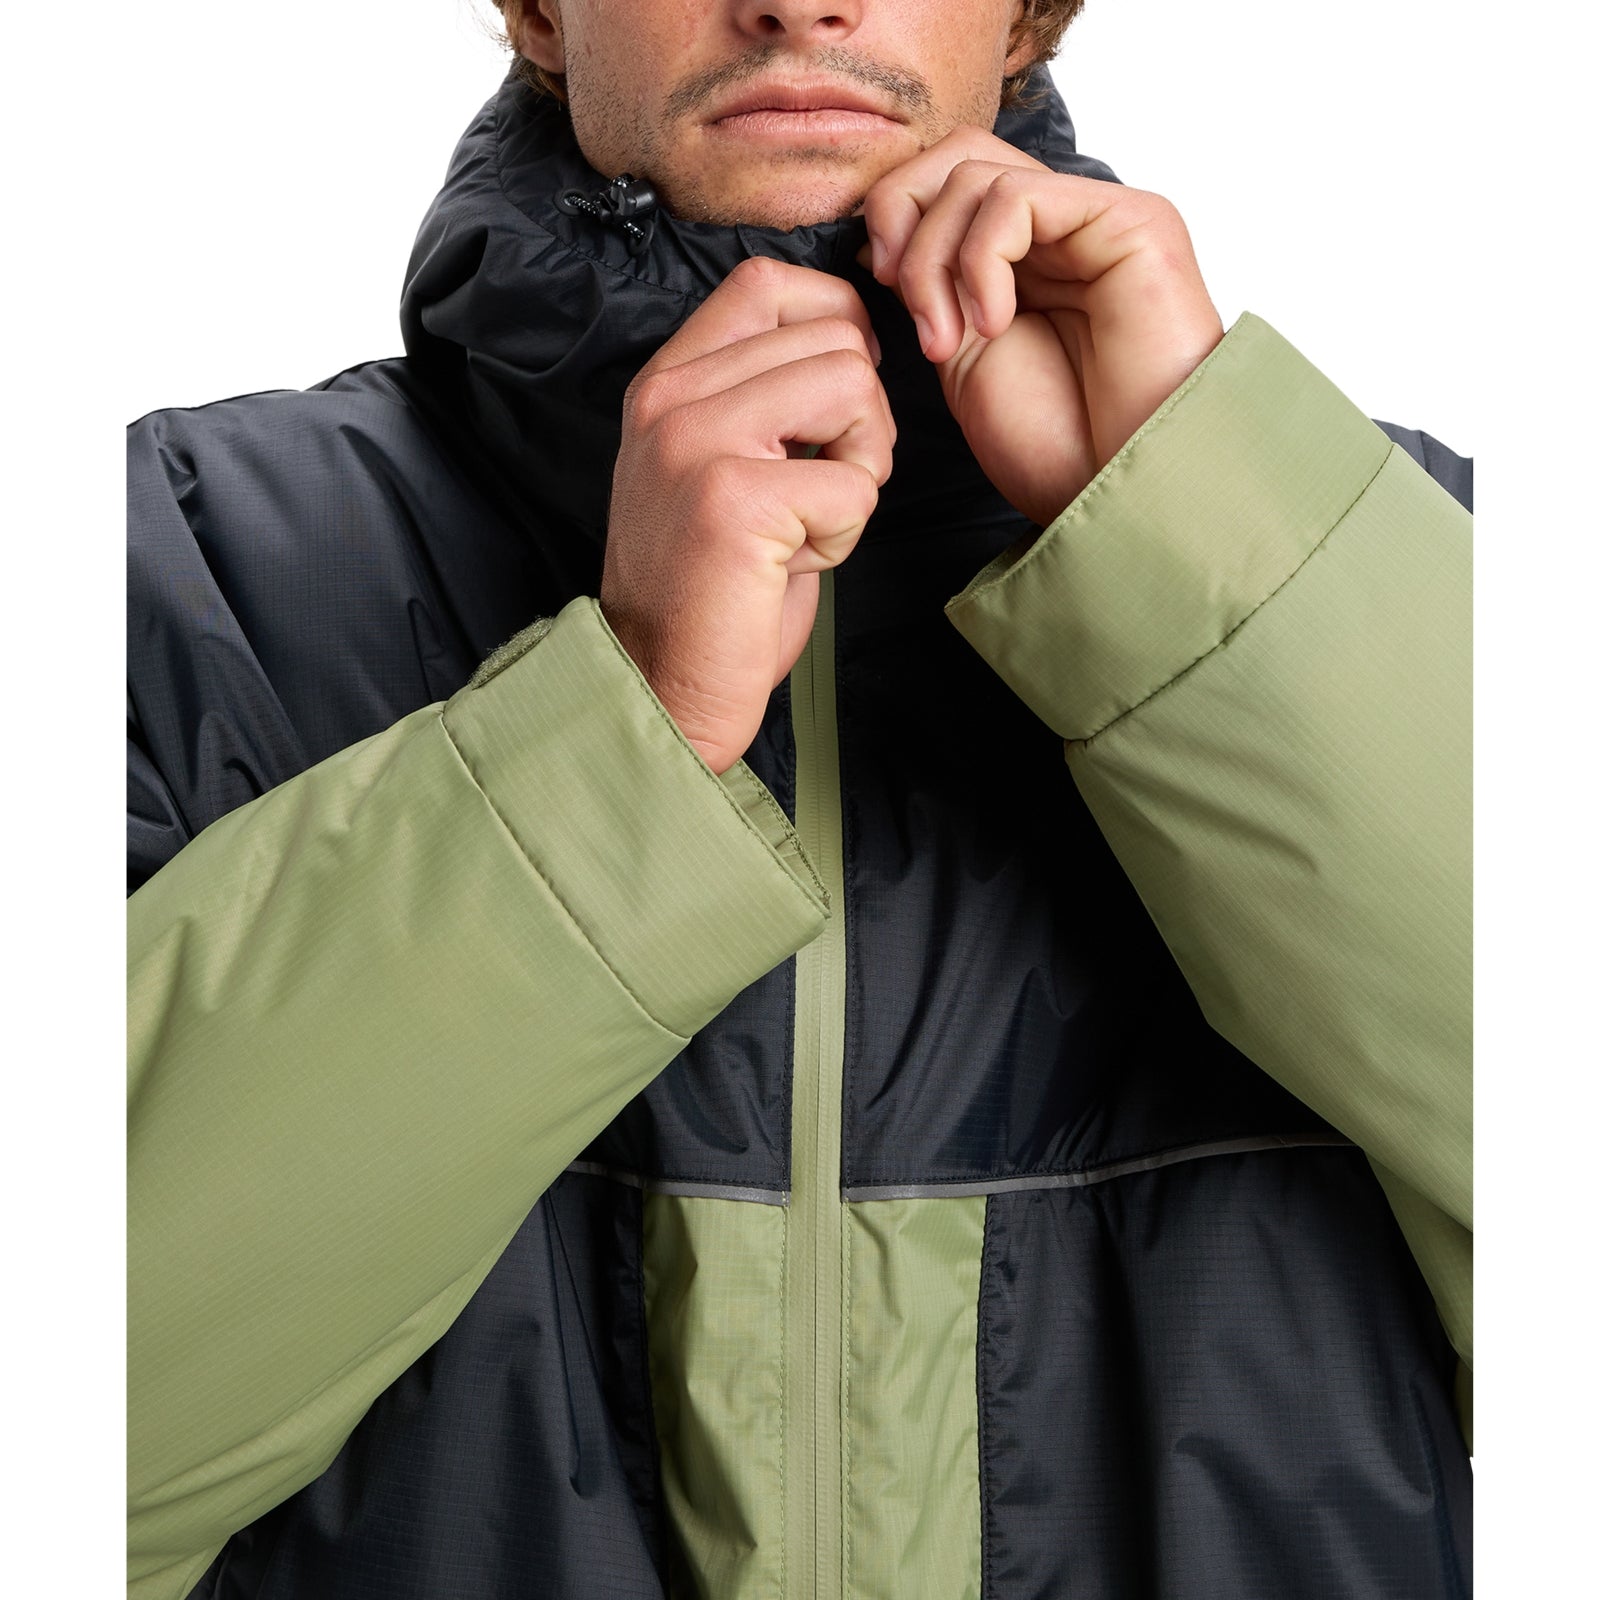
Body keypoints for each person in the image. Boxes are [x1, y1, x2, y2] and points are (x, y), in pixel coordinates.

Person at [126, 1, 1472, 1595]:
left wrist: (1229, 571)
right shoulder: (170, 578)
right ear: (541, 7)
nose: (799, 0)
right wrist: (615, 740)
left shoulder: (1420, 569)